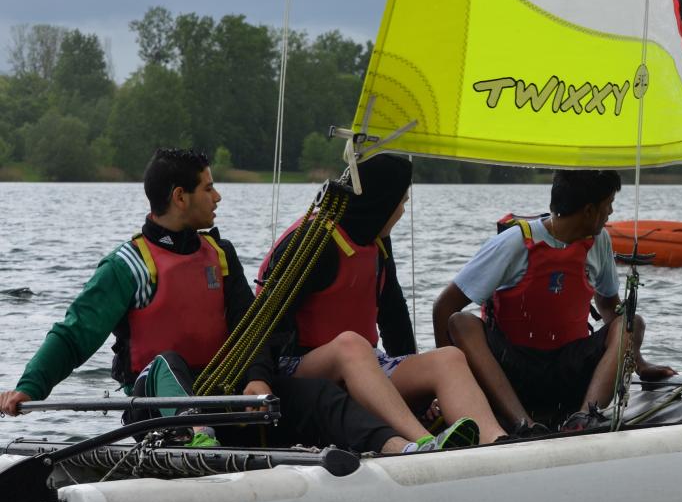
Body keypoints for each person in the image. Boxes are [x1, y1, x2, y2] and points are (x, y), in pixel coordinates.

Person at [0, 148, 416, 455]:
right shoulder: (129, 265)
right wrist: (30, 386)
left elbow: (253, 328)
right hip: (155, 410)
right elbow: (74, 334)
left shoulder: (220, 255)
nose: (217, 197)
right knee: (166, 363)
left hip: (224, 399)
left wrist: (258, 378)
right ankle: (198, 438)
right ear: (180, 197)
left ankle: (403, 449)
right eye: (209, 187)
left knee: (318, 396)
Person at [261, 153, 504, 445]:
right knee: (352, 345)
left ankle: (495, 441)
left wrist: (419, 394)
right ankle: (424, 443)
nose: (402, 211)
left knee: (448, 358)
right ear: (382, 202)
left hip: (362, 363)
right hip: (295, 367)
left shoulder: (376, 242)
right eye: (402, 202)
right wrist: (258, 378)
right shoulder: (313, 243)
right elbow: (265, 325)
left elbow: (394, 319)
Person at [432, 169, 675, 434]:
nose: (611, 212)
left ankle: (584, 417)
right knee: (461, 322)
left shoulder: (599, 241)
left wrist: (639, 363)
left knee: (632, 322)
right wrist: (449, 389)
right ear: (589, 211)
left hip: (569, 367)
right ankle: (523, 423)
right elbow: (444, 307)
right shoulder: (513, 243)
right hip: (513, 367)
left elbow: (609, 307)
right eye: (608, 205)